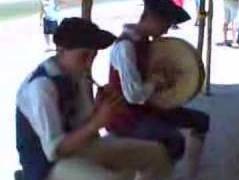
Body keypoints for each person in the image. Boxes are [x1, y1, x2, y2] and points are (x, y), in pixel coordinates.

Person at [16, 17, 172, 180]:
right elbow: (55, 150)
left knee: (156, 154)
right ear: (61, 50)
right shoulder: (41, 87)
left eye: (93, 56)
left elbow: (81, 125)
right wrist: (97, 122)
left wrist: (99, 107)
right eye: (84, 56)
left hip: (78, 148)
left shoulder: (78, 77)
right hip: (46, 165)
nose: (89, 64)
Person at [108, 0, 210, 179]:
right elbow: (133, 95)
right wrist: (155, 83)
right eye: (166, 24)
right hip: (125, 116)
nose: (167, 30)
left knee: (201, 121)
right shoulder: (125, 47)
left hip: (148, 107)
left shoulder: (146, 42)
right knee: (173, 140)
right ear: (153, 19)